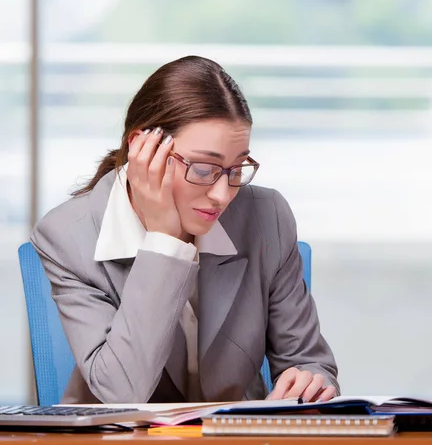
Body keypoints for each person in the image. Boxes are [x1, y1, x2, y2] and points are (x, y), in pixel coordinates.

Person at [31, 55, 339, 405]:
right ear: (143, 150)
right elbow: (121, 392)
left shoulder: (267, 215)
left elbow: (310, 362)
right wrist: (164, 241)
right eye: (204, 169)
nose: (222, 195)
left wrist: (310, 382)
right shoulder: (68, 236)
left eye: (236, 169)